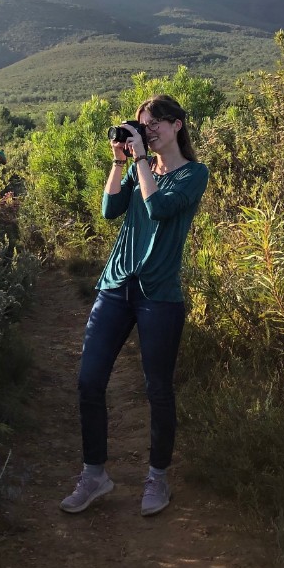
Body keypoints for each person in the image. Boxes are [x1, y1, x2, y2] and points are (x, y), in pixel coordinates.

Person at [60, 94, 209, 517]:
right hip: (115, 287)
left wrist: (142, 160)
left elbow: (158, 208)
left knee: (157, 389)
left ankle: (157, 478)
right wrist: (119, 160)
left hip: (159, 295)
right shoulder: (140, 168)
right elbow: (110, 210)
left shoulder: (193, 174)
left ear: (177, 125)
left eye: (156, 123)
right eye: (143, 125)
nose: (148, 131)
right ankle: (94, 475)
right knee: (90, 381)